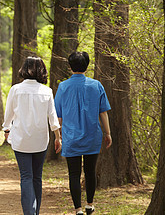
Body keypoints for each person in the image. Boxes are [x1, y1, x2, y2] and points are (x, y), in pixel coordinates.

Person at [2, 56, 62, 215]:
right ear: (42, 71)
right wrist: (58, 137)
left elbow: (8, 114)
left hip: (21, 140)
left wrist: (6, 130)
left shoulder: (15, 89)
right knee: (37, 177)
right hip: (40, 140)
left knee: (26, 177)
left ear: (24, 69)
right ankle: (35, 212)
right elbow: (53, 117)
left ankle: (30, 212)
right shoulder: (46, 91)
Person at [54, 52, 112, 215]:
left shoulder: (63, 87)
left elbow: (58, 116)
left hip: (71, 137)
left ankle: (78, 209)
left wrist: (57, 137)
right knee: (90, 171)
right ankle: (90, 204)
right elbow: (103, 113)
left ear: (70, 66)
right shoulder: (96, 85)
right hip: (92, 136)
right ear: (86, 65)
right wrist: (107, 133)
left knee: (73, 173)